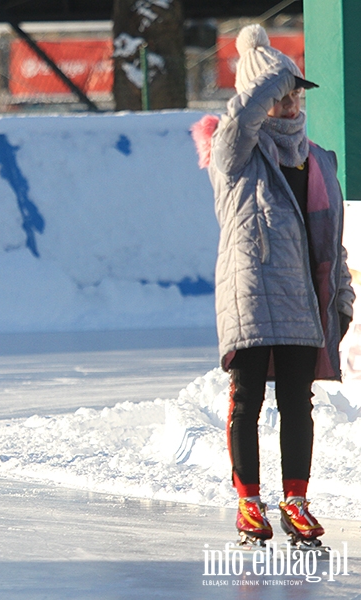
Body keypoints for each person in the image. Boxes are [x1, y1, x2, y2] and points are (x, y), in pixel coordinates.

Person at [193, 25, 353, 547]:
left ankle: (296, 501)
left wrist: (343, 297)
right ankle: (248, 502)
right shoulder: (235, 154)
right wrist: (265, 70)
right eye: (278, 97)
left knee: (297, 402)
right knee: (246, 400)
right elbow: (241, 116)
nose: (287, 106)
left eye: (293, 96)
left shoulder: (321, 160)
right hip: (252, 296)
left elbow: (333, 242)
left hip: (305, 300)